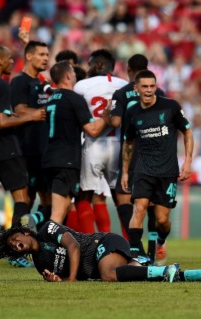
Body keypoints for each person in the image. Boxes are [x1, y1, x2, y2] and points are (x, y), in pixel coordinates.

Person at [0, 45, 45, 267]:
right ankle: (16, 254)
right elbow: (3, 121)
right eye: (8, 59)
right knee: (22, 200)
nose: (11, 62)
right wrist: (32, 116)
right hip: (7, 151)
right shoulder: (1, 85)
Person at [0, 220, 201, 283]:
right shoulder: (40, 264)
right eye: (11, 247)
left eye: (14, 238)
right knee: (133, 273)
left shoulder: (46, 229)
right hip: (99, 263)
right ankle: (198, 274)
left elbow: (72, 245)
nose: (14, 244)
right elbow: (58, 276)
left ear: (25, 233)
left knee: (109, 275)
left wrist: (69, 279)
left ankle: (159, 270)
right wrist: (55, 279)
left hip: (102, 243)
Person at [121, 70, 193, 262]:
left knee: (162, 220)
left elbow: (187, 132)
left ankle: (161, 240)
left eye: (152, 86)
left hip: (167, 171)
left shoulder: (170, 107)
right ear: (136, 89)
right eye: (144, 86)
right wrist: (126, 171)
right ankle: (136, 254)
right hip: (143, 168)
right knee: (139, 207)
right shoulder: (132, 112)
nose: (149, 90)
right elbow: (128, 142)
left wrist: (187, 161)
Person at [109, 53, 166, 264]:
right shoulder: (158, 92)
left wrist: (109, 112)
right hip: (156, 152)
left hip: (132, 151)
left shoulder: (122, 93)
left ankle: (137, 249)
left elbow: (115, 122)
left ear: (128, 71)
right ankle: (151, 250)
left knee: (124, 197)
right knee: (150, 203)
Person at [42, 60, 107, 225]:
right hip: (66, 160)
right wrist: (107, 115)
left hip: (50, 158)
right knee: (57, 214)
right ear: (69, 75)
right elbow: (92, 130)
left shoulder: (51, 100)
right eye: (72, 70)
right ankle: (44, 247)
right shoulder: (74, 98)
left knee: (62, 209)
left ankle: (54, 246)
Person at [74, 49, 128, 234]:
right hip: (118, 145)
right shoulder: (124, 85)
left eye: (90, 64)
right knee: (121, 198)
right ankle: (132, 247)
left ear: (97, 64)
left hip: (93, 144)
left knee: (84, 196)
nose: (88, 68)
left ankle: (88, 244)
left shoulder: (82, 85)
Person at [10, 40, 52, 230]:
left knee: (50, 201)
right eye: (42, 54)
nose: (46, 58)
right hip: (26, 149)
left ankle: (37, 236)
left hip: (45, 149)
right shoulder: (19, 81)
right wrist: (40, 113)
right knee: (26, 199)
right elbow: (19, 110)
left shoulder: (43, 82)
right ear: (29, 56)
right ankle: (15, 245)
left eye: (47, 55)